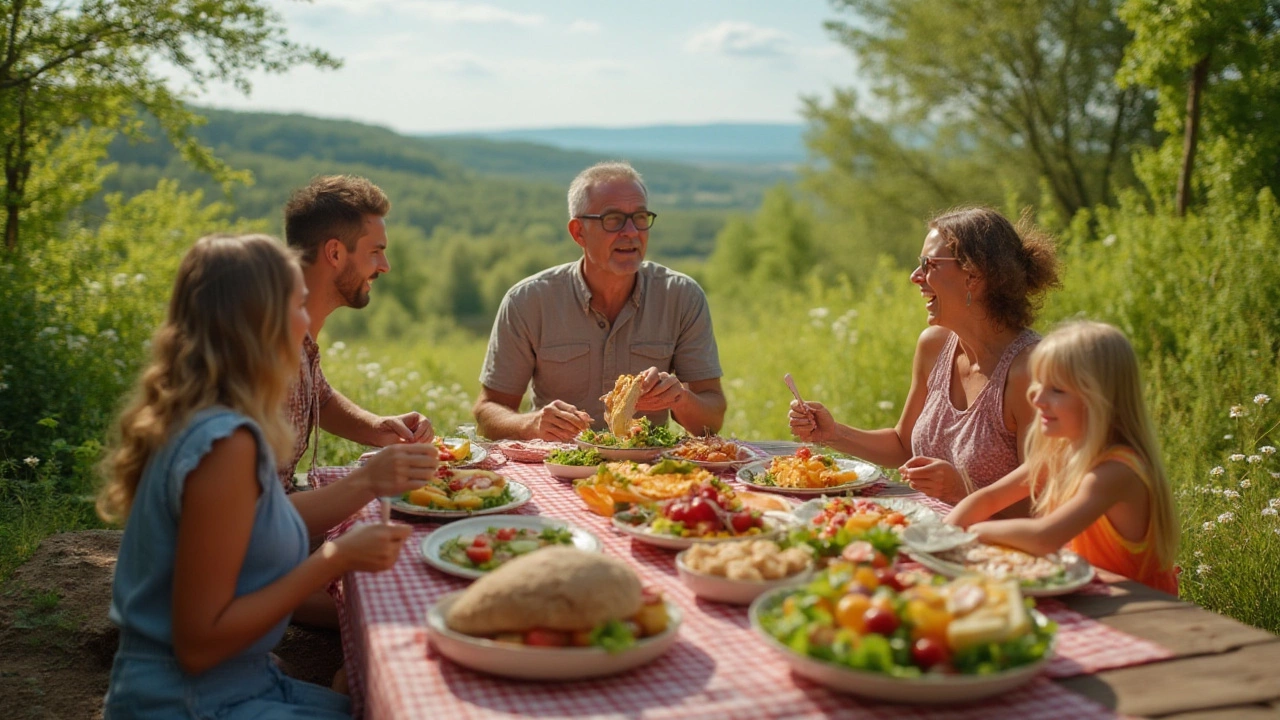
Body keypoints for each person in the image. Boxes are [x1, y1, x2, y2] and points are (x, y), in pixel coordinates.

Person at [98, 234, 427, 718]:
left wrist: (369, 481)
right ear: (259, 321)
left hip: (238, 682)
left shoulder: (209, 417)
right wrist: (334, 558)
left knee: (367, 690)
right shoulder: (225, 443)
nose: (306, 320)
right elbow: (199, 645)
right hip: (190, 702)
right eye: (297, 304)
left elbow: (251, 527)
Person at [789, 206, 1060, 506]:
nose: (915, 276)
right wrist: (834, 433)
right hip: (918, 531)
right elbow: (904, 445)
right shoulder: (934, 346)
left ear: (974, 275)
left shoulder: (1029, 371)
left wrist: (962, 492)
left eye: (928, 264)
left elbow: (1045, 508)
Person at [474, 161, 726, 441]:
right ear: (578, 232)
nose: (631, 232)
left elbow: (711, 421)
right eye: (613, 219)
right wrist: (531, 425)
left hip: (649, 475)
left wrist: (680, 398)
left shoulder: (681, 296)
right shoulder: (528, 301)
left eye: (640, 217)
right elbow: (487, 412)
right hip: (557, 468)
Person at [944, 321, 1179, 594]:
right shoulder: (1059, 453)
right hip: (1088, 593)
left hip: (1141, 610)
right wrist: (946, 535)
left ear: (1099, 399)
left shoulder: (1115, 472)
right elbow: (989, 498)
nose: (1037, 399)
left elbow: (1044, 538)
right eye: (1039, 385)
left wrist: (974, 533)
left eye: (1057, 390)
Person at [278, 174, 436, 492]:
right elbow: (257, 515)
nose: (386, 266)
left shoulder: (298, 332)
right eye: (375, 251)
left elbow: (318, 397)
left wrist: (378, 428)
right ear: (335, 254)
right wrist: (369, 482)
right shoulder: (271, 349)